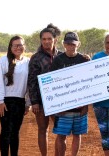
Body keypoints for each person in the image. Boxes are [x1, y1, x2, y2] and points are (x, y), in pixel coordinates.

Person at [50, 32, 89, 156]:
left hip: (80, 107)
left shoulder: (84, 59)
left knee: (77, 135)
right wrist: (58, 106)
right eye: (68, 43)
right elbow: (52, 84)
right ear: (64, 44)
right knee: (61, 136)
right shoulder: (57, 60)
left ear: (78, 44)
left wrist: (85, 105)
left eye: (73, 44)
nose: (70, 46)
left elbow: (89, 84)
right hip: (63, 107)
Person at [27, 23, 63, 156]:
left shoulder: (62, 56)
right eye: (44, 39)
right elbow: (31, 81)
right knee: (43, 130)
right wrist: (34, 102)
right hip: (41, 101)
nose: (47, 42)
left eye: (49, 39)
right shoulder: (36, 58)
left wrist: (85, 59)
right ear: (41, 40)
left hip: (59, 100)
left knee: (60, 131)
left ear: (55, 40)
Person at [0, 35, 31, 156]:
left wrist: (28, 103)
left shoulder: (28, 62)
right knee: (6, 131)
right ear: (10, 47)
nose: (18, 47)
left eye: (20, 45)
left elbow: (30, 84)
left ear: (24, 46)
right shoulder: (3, 60)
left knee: (15, 132)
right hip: (5, 101)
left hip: (20, 101)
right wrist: (0, 101)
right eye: (15, 45)